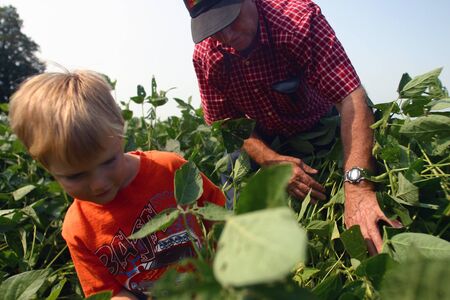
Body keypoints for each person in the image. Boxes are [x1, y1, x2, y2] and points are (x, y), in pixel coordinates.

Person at [183, 0, 401, 254]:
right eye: (215, 28)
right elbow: (227, 123)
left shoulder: (296, 21)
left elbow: (351, 99)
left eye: (230, 20)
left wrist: (359, 187)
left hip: (318, 124)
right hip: (261, 136)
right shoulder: (206, 55)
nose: (227, 35)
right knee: (236, 200)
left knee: (341, 190)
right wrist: (270, 160)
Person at [8, 70, 226, 299]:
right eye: (75, 176)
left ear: (121, 130)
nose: (98, 184)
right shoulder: (78, 229)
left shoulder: (170, 170)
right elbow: (110, 292)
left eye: (109, 161)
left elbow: (223, 223)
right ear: (46, 167)